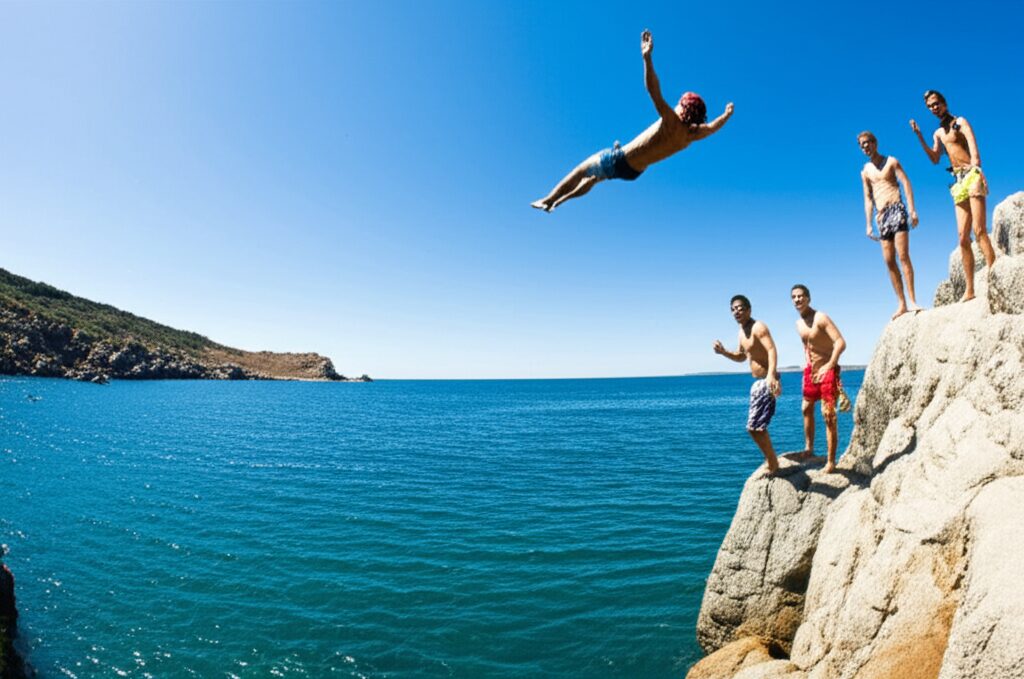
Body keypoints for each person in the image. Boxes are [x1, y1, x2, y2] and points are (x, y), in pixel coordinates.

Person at [531, 30, 734, 212]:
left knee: (580, 170)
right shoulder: (690, 137)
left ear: (684, 108)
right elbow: (712, 128)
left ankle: (549, 200)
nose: (676, 105)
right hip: (634, 172)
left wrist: (647, 59)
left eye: (679, 103)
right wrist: (725, 116)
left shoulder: (672, 122)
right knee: (596, 176)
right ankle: (572, 193)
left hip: (618, 160)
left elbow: (654, 91)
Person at [910, 90, 996, 302]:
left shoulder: (960, 122)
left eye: (936, 103)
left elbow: (974, 151)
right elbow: (935, 159)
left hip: (971, 175)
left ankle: (995, 274)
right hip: (957, 182)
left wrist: (977, 171)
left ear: (945, 103)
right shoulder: (938, 133)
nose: (934, 108)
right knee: (962, 237)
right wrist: (919, 136)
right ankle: (970, 289)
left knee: (979, 230)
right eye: (930, 106)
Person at [713, 295, 782, 476]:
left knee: (754, 427)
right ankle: (771, 460)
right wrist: (723, 352)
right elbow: (742, 357)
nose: (737, 311)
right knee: (755, 427)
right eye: (733, 309)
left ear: (749, 309)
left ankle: (773, 462)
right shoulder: (742, 332)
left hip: (766, 381)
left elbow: (772, 350)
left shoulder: (758, 327)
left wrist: (771, 377)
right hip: (758, 382)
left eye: (740, 308)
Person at [858, 131, 922, 319]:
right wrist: (868, 224)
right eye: (862, 145)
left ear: (875, 143)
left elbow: (906, 183)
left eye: (868, 143)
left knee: (903, 256)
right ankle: (901, 303)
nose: (865, 147)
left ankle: (912, 300)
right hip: (882, 216)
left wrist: (912, 210)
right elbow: (868, 198)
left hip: (897, 209)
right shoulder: (865, 171)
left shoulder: (891, 161)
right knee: (888, 260)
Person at [791, 285, 846, 474]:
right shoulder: (798, 324)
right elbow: (807, 346)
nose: (797, 300)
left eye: (801, 296)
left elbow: (840, 342)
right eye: (794, 297)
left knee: (828, 416)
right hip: (811, 372)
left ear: (808, 298)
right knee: (806, 408)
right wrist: (808, 365)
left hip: (828, 371)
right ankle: (809, 449)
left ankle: (831, 462)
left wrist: (830, 364)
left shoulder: (820, 318)